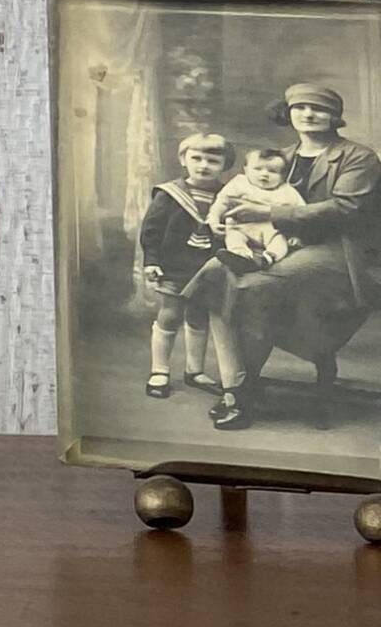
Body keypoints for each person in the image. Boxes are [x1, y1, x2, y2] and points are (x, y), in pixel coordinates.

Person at [217, 78, 380, 423]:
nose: (308, 114)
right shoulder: (281, 158)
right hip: (288, 245)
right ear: (288, 113)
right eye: (300, 107)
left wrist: (268, 214)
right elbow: (242, 194)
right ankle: (238, 381)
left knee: (255, 286)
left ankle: (242, 396)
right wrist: (221, 220)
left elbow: (345, 209)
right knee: (216, 276)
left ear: (335, 117)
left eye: (319, 109)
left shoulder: (358, 157)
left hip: (340, 251)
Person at [135, 129, 235, 399]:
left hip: (208, 266)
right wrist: (151, 261)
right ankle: (159, 370)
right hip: (174, 265)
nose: (204, 165)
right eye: (197, 158)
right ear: (184, 159)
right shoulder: (169, 194)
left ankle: (194, 370)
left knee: (198, 316)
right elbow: (151, 231)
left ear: (225, 165)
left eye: (213, 161)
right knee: (170, 313)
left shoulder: (228, 195)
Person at [209, 138, 304, 271]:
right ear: (246, 169)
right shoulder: (239, 183)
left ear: (283, 175)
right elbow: (221, 203)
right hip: (240, 226)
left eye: (272, 171)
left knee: (279, 242)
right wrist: (214, 221)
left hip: (271, 229)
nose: (264, 174)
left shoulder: (287, 190)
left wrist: (296, 235)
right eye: (257, 169)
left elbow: (300, 214)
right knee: (233, 237)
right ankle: (240, 256)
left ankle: (268, 258)